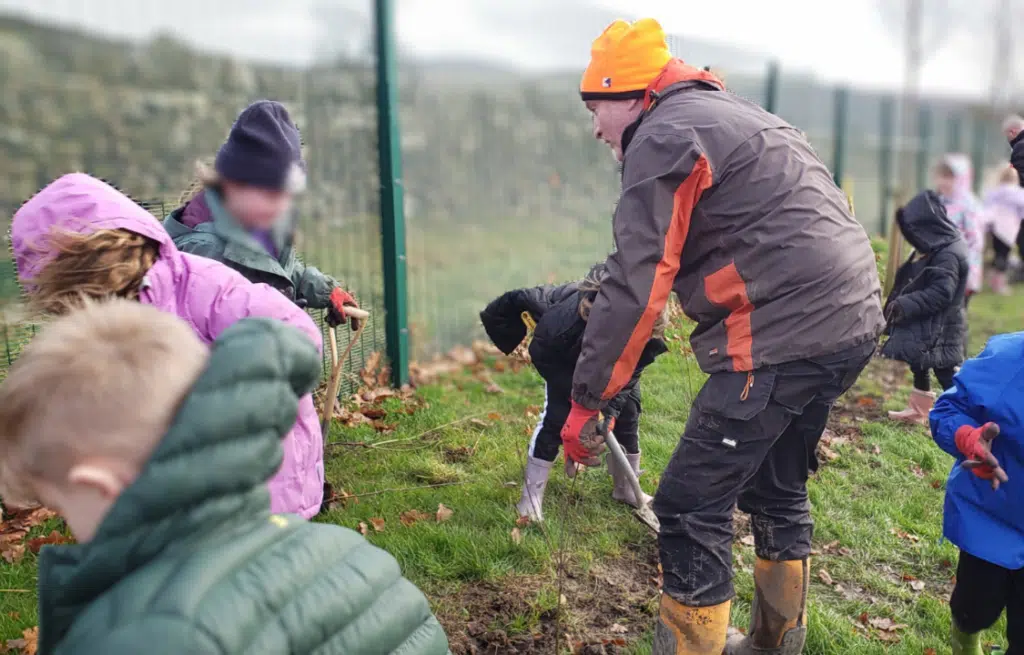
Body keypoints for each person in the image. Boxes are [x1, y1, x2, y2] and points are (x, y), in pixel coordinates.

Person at [562, 18, 884, 654]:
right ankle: (774, 645)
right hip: (852, 317)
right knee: (777, 485)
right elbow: (655, 249)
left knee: (687, 507)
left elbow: (640, 283)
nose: (595, 127)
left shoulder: (662, 136)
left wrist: (586, 399)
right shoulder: (728, 115)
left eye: (597, 108)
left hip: (783, 337)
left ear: (629, 96)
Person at [0, 300, 450, 654]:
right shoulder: (347, 553)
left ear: (97, 488)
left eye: (59, 505)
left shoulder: (143, 635)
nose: (67, 527)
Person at [10, 173, 326, 519]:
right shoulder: (105, 326)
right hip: (188, 489)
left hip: (263, 472)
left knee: (261, 559)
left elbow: (297, 336)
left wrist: (224, 402)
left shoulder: (202, 286)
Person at [480, 263, 668, 521]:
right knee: (557, 416)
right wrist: (579, 406)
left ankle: (626, 488)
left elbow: (630, 375)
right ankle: (530, 498)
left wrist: (608, 415)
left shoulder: (647, 328)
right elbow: (542, 354)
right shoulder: (561, 323)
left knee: (629, 409)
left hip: (611, 355)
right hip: (563, 356)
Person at [163, 99, 360, 331]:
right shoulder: (204, 251)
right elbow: (208, 332)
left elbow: (271, 268)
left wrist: (321, 289)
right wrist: (276, 315)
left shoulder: (255, 222)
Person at [929, 333, 1020, 655]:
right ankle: (966, 638)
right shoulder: (1010, 356)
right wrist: (969, 438)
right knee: (973, 611)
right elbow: (949, 409)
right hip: (992, 520)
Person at [882, 191, 969, 425]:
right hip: (929, 321)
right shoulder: (934, 246)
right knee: (918, 362)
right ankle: (920, 410)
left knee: (945, 369)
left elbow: (941, 293)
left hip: (942, 325)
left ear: (927, 226)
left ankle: (966, 415)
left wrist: (904, 304)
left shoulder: (948, 254)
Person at [933, 155, 983, 305]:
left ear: (962, 179)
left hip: (961, 268)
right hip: (939, 267)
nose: (943, 182)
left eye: (949, 177)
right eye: (941, 176)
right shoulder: (937, 202)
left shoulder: (968, 205)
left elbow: (975, 240)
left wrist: (966, 269)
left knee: (956, 311)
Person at [979, 164, 1024, 295]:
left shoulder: (994, 192)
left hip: (993, 228)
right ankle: (999, 285)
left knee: (995, 254)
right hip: (1009, 230)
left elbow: (986, 207)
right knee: (1003, 256)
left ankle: (991, 280)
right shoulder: (1018, 193)